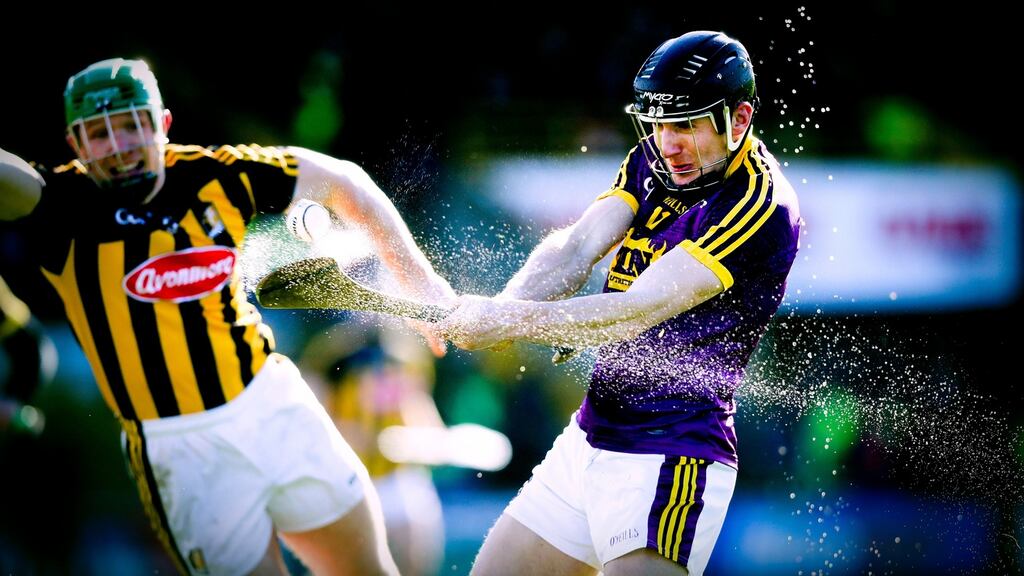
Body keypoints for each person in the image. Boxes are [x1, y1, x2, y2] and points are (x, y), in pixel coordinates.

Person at [0, 57, 454, 575]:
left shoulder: (219, 174)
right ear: (75, 144)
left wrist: (420, 284)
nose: (119, 145)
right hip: (180, 446)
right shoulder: (58, 205)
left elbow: (344, 181)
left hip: (271, 403)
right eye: (100, 134)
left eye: (132, 125)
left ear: (162, 124)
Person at [438, 31, 801, 575]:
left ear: (739, 119)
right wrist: (502, 306)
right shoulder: (656, 159)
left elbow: (635, 309)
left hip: (670, 455)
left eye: (685, 125)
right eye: (656, 124)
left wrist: (508, 320)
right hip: (591, 435)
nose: (667, 143)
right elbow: (577, 246)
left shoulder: (759, 205)